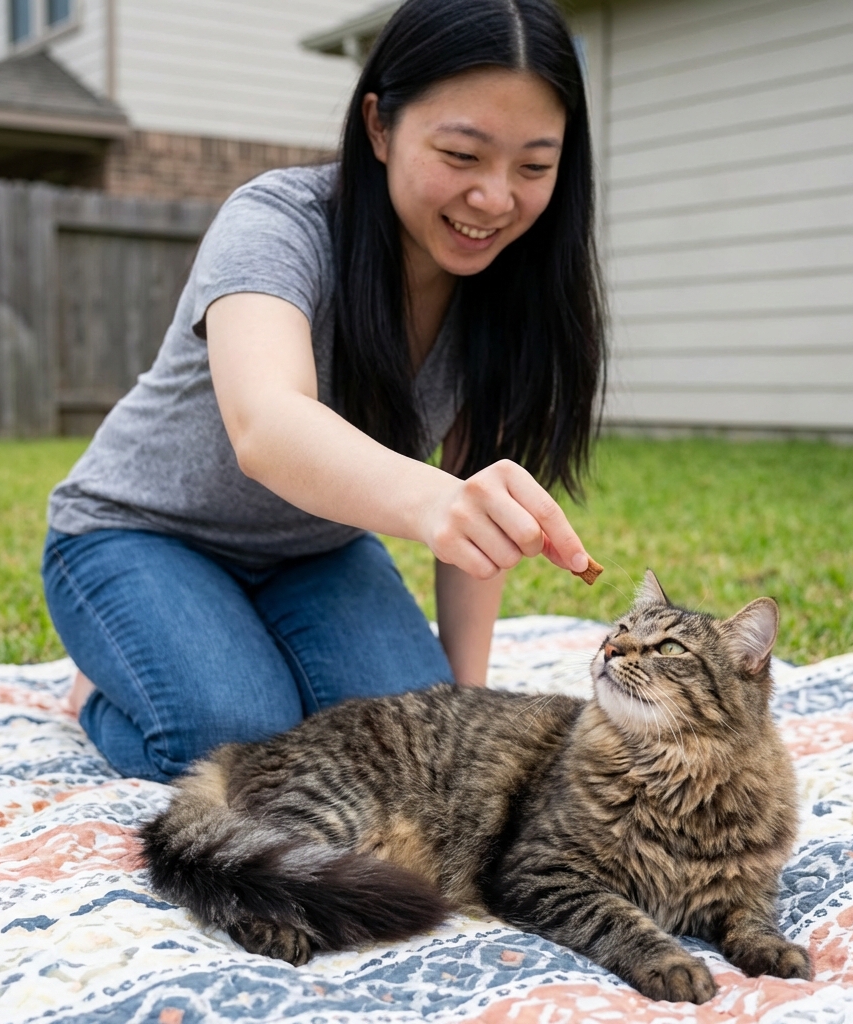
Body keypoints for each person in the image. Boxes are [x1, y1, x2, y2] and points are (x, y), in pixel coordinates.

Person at [42, 0, 605, 783]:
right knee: (239, 741)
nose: (495, 199)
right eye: (462, 154)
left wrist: (462, 707)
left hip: (314, 554)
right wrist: (436, 502)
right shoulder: (277, 224)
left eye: (534, 167)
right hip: (140, 535)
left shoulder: (512, 283)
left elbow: (482, 498)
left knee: (415, 760)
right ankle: (103, 689)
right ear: (379, 125)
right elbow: (267, 424)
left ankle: (235, 644)